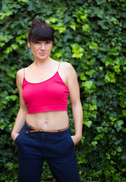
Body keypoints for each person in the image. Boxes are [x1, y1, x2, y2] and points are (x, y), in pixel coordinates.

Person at [11, 18, 83, 182]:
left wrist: (77, 136)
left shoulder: (65, 69)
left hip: (60, 141)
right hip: (29, 140)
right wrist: (15, 134)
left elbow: (76, 103)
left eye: (47, 42)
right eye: (37, 42)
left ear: (52, 44)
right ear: (29, 43)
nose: (42, 48)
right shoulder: (22, 74)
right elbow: (23, 108)